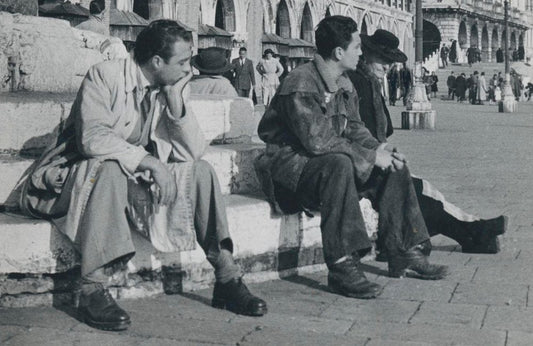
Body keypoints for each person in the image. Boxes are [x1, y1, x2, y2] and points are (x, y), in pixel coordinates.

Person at [19, 20, 267, 332]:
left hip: (133, 180)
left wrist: (176, 105)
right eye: (183, 62)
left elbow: (192, 153)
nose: (189, 69)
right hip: (83, 179)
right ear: (157, 62)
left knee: (201, 173)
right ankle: (92, 288)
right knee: (108, 168)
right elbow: (93, 140)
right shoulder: (104, 76)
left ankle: (227, 277)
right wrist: (150, 163)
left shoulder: (171, 86)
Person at [255, 18, 449, 300]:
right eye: (357, 46)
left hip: (324, 165)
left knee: (395, 165)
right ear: (338, 52)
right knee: (339, 164)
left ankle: (403, 250)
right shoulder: (301, 83)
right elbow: (318, 141)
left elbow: (355, 128)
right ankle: (342, 265)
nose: (361, 53)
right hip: (291, 170)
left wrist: (381, 151)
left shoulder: (343, 83)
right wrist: (371, 157)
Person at [349, 29, 507, 259]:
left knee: (426, 188)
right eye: (383, 61)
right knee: (424, 198)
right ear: (367, 55)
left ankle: (475, 230)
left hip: (374, 160)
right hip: (363, 166)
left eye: (390, 62)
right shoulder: (357, 83)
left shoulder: (369, 82)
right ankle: (474, 232)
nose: (387, 67)